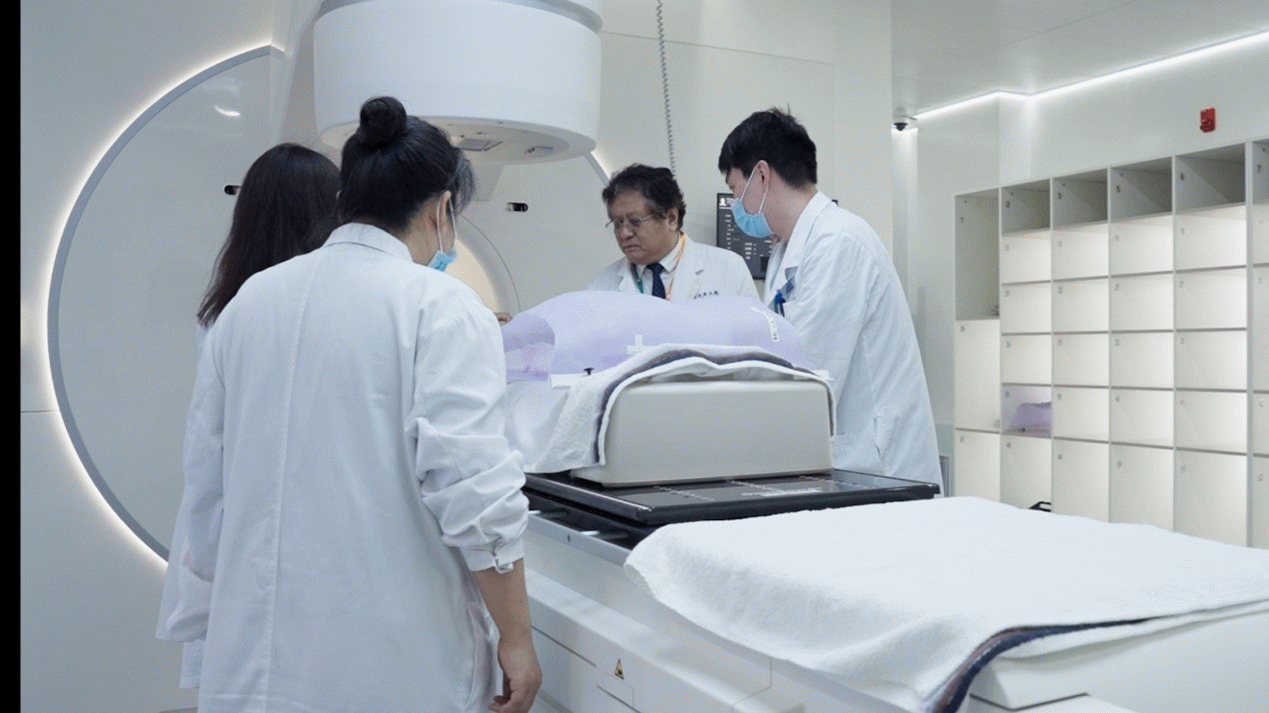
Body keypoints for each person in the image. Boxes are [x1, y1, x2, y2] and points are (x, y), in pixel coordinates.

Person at [158, 96, 541, 713]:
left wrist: (206, 625)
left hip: (253, 658)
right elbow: (474, 492)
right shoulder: (440, 305)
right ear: (443, 208)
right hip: (388, 663)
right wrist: (517, 638)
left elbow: (207, 487)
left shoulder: (250, 302)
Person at [159, 142, 340, 690]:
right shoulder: (325, 309)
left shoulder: (222, 310)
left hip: (242, 517)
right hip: (308, 526)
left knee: (249, 670)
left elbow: (206, 452)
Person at [718, 108, 941, 487]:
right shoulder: (789, 250)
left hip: (879, 468)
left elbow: (811, 372)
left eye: (736, 189)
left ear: (762, 175)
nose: (737, 204)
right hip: (843, 464)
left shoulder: (838, 242)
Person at [588, 163, 758, 301]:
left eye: (635, 222)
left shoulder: (729, 269)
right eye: (618, 223)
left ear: (671, 218)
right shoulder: (600, 288)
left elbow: (755, 331)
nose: (624, 233)